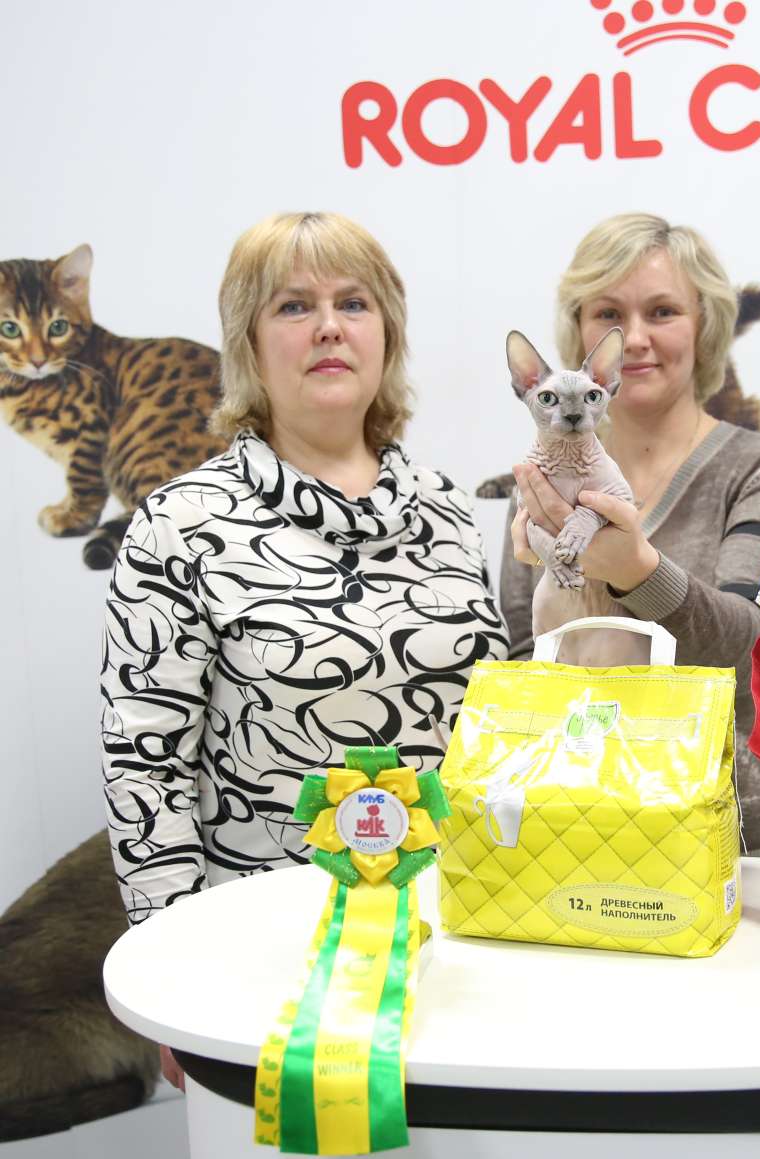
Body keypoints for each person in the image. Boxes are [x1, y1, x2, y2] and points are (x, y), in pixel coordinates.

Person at [100, 212, 507, 1060]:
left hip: (462, 947)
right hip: (264, 965)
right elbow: (145, 767)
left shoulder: (449, 510)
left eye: (353, 302)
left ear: (387, 334)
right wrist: (170, 971)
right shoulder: (180, 524)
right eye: (293, 306)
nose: (328, 326)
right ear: (248, 343)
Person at [501, 212, 760, 855]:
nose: (636, 337)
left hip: (729, 843)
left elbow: (756, 649)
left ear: (707, 327)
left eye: (663, 311)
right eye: (608, 313)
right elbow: (525, 655)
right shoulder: (541, 481)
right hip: (571, 830)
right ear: (581, 335)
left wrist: (635, 572)